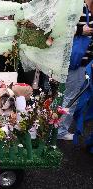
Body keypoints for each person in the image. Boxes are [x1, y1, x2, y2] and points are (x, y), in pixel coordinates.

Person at [58, 0, 93, 140]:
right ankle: (59, 131)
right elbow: (58, 29)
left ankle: (56, 130)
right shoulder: (77, 7)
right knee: (69, 96)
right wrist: (80, 30)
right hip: (75, 62)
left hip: (85, 62)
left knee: (70, 95)